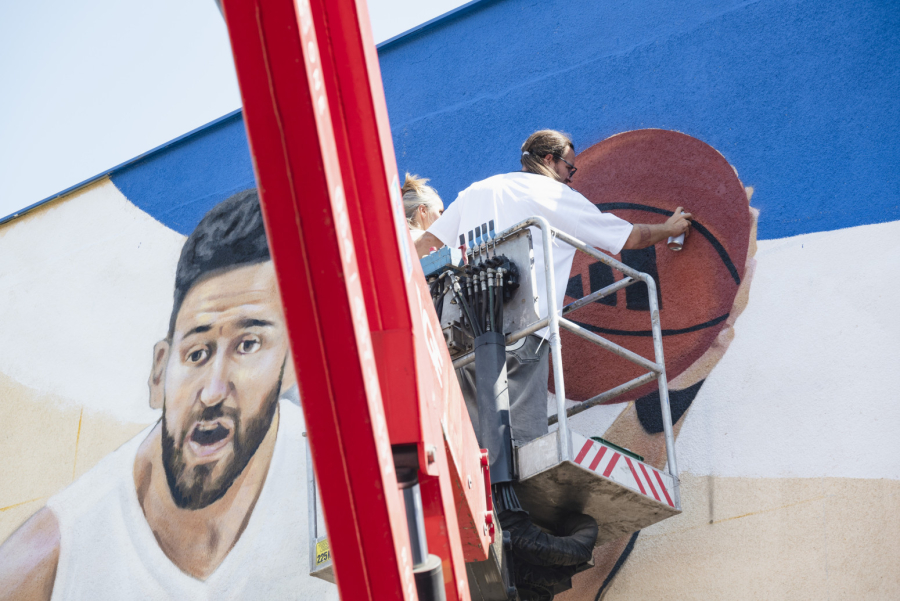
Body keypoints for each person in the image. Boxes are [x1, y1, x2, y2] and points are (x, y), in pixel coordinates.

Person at [0, 190, 336, 600]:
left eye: (248, 345)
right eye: (197, 352)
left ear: (291, 365)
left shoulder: (334, 481)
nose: (213, 392)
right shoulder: (47, 566)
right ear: (160, 371)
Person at [414, 129, 693, 446]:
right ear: (549, 159)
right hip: (522, 327)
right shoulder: (556, 196)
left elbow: (426, 244)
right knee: (520, 443)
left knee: (473, 437)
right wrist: (668, 229)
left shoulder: (479, 190)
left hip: (462, 327)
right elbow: (628, 238)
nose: (569, 178)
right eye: (569, 168)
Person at [402, 173, 444, 242]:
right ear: (423, 210)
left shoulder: (396, 243)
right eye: (440, 212)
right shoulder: (436, 244)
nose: (443, 218)